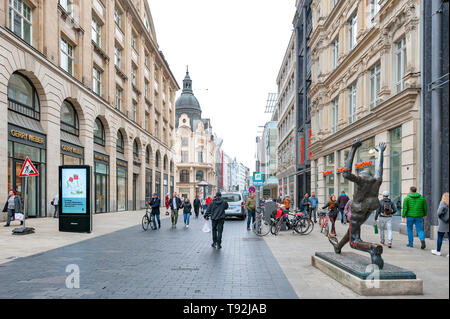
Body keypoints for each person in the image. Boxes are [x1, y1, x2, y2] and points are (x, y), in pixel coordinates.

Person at [329, 139, 386, 269]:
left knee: (354, 240)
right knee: (352, 230)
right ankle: (338, 247)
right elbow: (380, 169)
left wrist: (353, 148)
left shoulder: (361, 180)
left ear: (361, 175)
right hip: (370, 208)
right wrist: (381, 153)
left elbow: (346, 173)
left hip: (358, 209)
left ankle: (373, 249)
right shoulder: (376, 181)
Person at [431, 192, 449, 257]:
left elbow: (439, 213)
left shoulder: (442, 203)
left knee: (440, 237)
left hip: (443, 224)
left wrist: (442, 217)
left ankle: (438, 251)